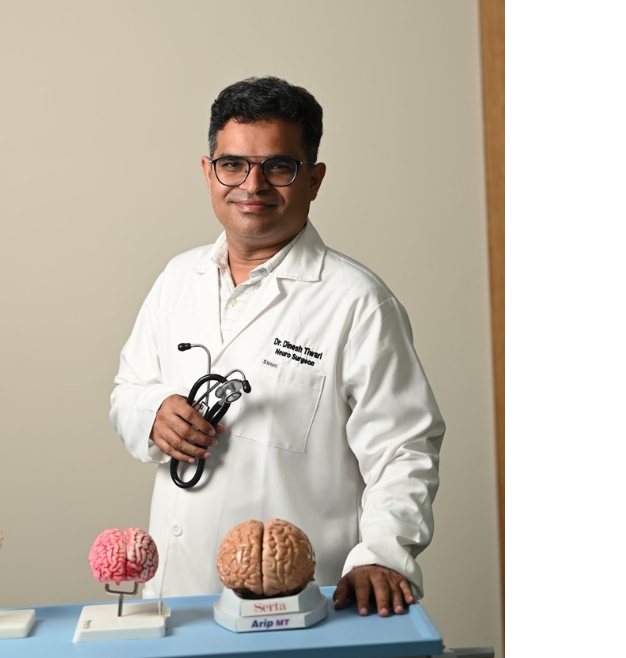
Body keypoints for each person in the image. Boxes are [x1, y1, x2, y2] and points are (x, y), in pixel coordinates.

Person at [109, 76, 444, 618]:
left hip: (300, 605)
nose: (252, 185)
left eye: (279, 167)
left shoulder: (357, 301)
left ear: (314, 179)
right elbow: (127, 391)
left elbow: (403, 448)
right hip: (179, 598)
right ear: (208, 171)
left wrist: (383, 554)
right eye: (233, 164)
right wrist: (153, 413)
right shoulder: (177, 279)